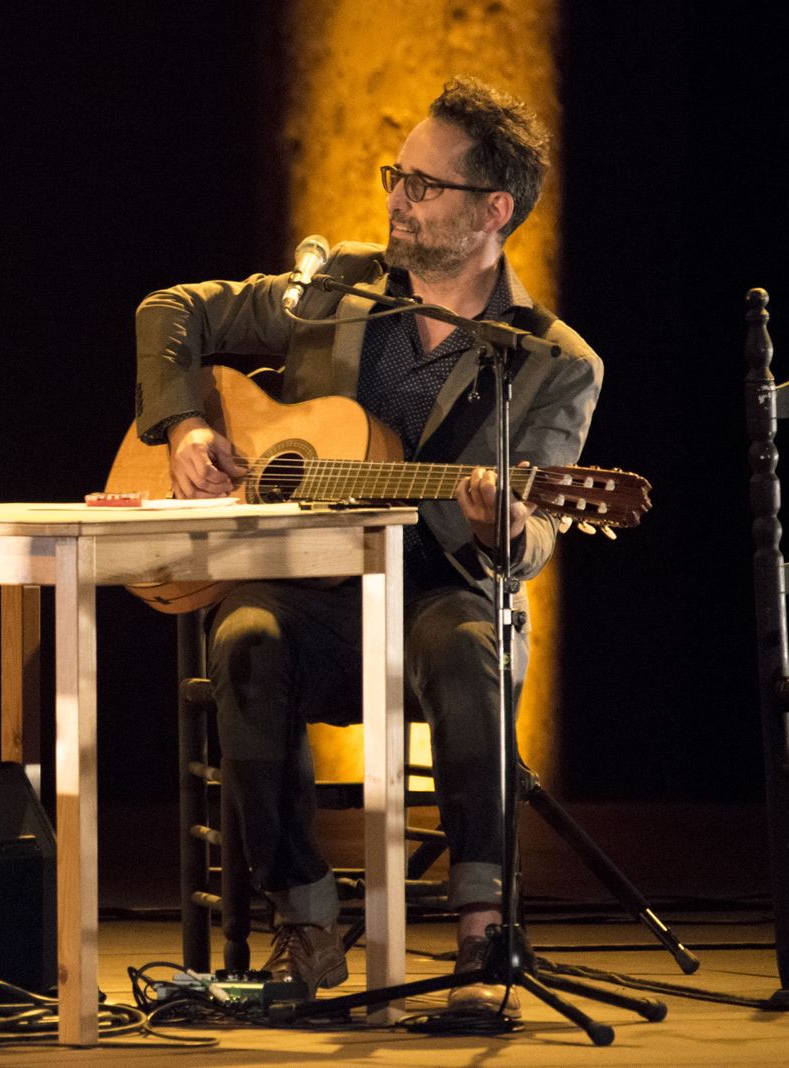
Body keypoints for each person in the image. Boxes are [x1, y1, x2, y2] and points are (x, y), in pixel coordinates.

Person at [134, 78, 601, 1015]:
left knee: (468, 650)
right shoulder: (339, 289)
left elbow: (540, 528)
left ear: (493, 212)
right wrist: (186, 427)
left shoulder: (552, 362)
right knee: (243, 640)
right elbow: (170, 310)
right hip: (314, 598)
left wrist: (509, 520)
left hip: (441, 596)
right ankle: (305, 927)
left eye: (423, 186)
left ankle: (481, 942)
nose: (396, 199)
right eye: (397, 176)